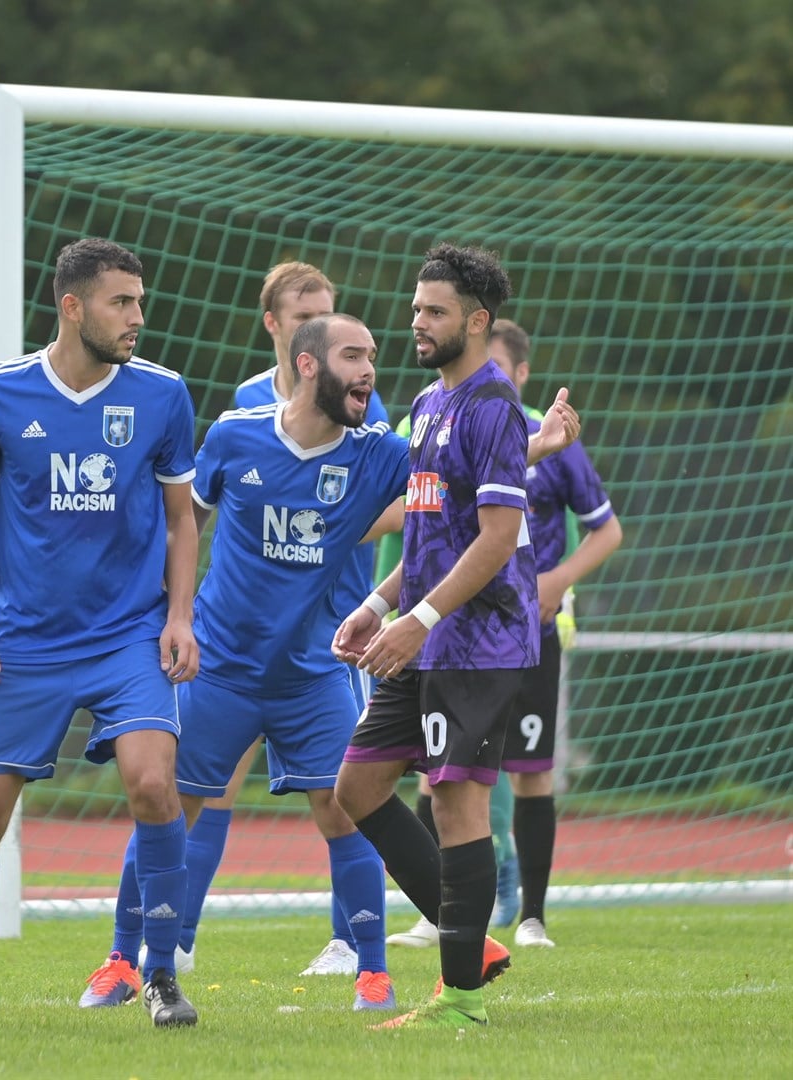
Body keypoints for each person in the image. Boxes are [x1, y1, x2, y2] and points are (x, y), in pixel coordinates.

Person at [87, 312, 405, 1014]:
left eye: (374, 357)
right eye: (354, 356)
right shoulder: (235, 434)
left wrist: (536, 446)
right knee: (172, 807)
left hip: (314, 672)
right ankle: (122, 962)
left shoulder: (378, 454)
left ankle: (373, 974)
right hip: (219, 669)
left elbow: (457, 474)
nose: (370, 371)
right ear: (309, 364)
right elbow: (183, 525)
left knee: (347, 806)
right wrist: (171, 617)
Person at [0, 238, 201, 1030]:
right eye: (122, 302)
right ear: (73, 306)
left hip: (129, 637)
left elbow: (184, 519)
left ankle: (158, 976)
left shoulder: (163, 395)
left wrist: (180, 615)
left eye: (141, 302)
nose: (137, 318)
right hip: (27, 642)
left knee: (154, 785)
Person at [333, 243, 559, 1030]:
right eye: (416, 306)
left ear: (477, 320)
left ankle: (460, 997)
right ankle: (476, 947)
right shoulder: (429, 405)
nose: (416, 321)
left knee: (458, 802)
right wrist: (376, 604)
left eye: (434, 310)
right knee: (356, 788)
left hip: (478, 640)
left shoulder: (493, 405)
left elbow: (498, 536)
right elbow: (434, 539)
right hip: (425, 634)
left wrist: (419, 620)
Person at [172, 262, 390, 981]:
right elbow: (207, 512)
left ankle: (351, 944)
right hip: (237, 637)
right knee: (209, 787)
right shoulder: (242, 412)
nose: (321, 323)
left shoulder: (364, 405)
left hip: (327, 630)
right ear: (277, 328)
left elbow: (390, 499)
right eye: (305, 314)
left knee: (338, 795)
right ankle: (177, 937)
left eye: (329, 310)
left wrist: (325, 529)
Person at [384, 320, 620, 950]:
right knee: (434, 780)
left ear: (518, 374)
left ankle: (525, 916)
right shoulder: (432, 414)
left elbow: (606, 528)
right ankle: (456, 915)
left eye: (498, 367)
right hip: (439, 626)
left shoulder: (536, 429)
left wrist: (555, 581)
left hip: (521, 631)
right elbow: (405, 510)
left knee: (518, 773)